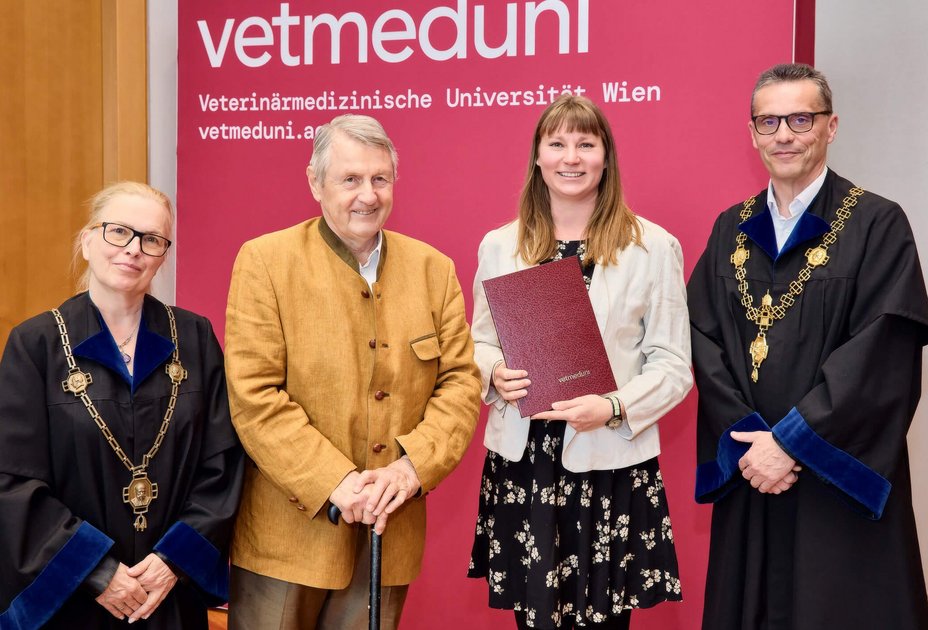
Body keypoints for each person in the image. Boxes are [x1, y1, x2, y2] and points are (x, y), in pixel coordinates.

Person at [689, 63, 928, 629]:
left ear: (831, 126)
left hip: (835, 485)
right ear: (752, 133)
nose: (784, 135)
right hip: (752, 476)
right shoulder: (731, 229)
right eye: (768, 121)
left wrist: (792, 443)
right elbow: (701, 337)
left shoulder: (877, 224)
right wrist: (752, 443)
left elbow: (882, 352)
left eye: (800, 118)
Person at [224, 114, 482, 630]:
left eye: (379, 178)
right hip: (287, 539)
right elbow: (256, 397)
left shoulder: (435, 270)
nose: (368, 194)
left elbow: (460, 385)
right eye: (350, 179)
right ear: (315, 183)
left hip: (389, 533)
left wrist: (410, 470)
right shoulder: (265, 262)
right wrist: (336, 482)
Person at [467, 94, 693, 629]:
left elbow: (673, 364)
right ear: (538, 158)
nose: (572, 157)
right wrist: (494, 373)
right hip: (525, 462)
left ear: (605, 157)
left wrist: (613, 406)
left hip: (608, 460)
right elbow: (477, 344)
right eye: (558, 143)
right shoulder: (500, 245)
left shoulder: (653, 246)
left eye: (586, 144)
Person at [0, 182, 245, 629]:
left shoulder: (193, 338)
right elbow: (13, 480)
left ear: (163, 256)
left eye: (151, 239)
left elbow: (223, 464)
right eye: (118, 232)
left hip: (167, 595)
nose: (133, 250)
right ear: (88, 241)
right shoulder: (35, 345)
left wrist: (175, 559)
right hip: (72, 599)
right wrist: (96, 570)